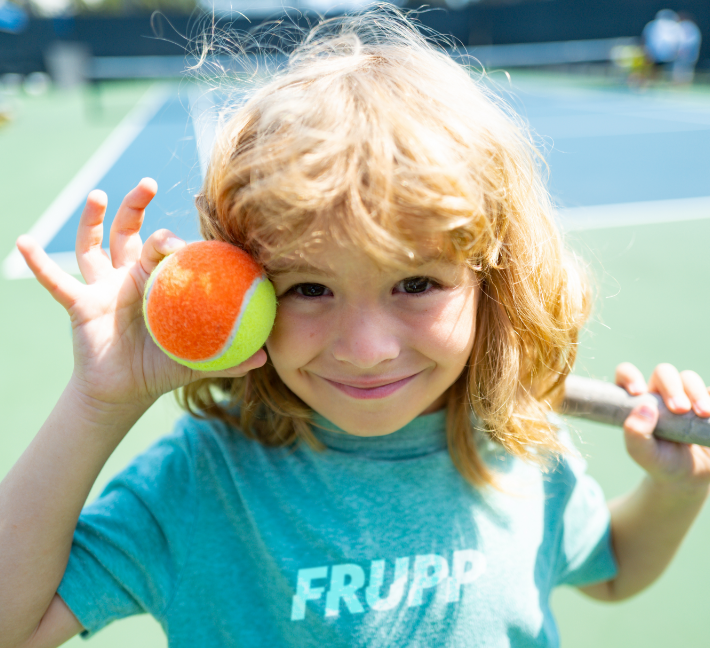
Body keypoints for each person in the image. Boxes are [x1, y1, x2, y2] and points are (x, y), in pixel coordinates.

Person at [2, 8, 710, 648]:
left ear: (490, 284)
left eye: (416, 284)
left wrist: (675, 493)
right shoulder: (200, 484)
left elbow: (611, 570)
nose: (367, 351)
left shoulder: (519, 446)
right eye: (310, 288)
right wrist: (100, 404)